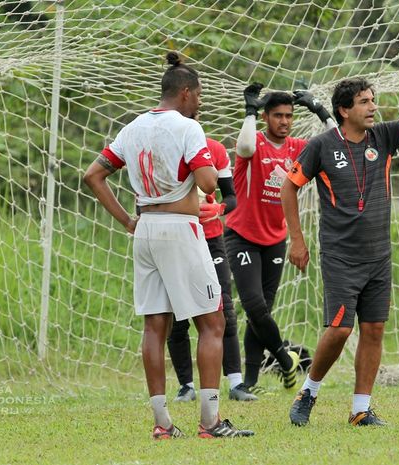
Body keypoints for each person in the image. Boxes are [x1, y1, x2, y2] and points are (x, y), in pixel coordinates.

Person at [282, 71, 399, 426]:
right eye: (365, 102)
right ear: (344, 110)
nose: (373, 107)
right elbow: (289, 187)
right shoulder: (321, 146)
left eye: (373, 100)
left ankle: (360, 409)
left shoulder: (384, 136)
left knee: (373, 329)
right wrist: (297, 239)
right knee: (340, 329)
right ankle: (309, 390)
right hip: (340, 255)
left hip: (378, 255)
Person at [83, 52, 253, 439]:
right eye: (200, 95)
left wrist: (127, 220)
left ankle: (162, 424)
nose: (202, 103)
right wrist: (204, 158)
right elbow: (210, 184)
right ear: (187, 93)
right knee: (213, 321)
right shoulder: (188, 127)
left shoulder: (132, 127)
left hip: (145, 231)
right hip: (180, 230)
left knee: (154, 325)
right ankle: (210, 423)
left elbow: (93, 175)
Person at [225, 83, 336, 393]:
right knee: (255, 307)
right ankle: (285, 361)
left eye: (288, 116)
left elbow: (335, 142)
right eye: (277, 116)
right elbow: (244, 149)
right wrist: (249, 110)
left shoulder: (297, 147)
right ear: (266, 117)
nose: (284, 121)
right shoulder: (253, 142)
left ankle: (248, 383)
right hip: (242, 236)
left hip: (275, 239)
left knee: (262, 314)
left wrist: (318, 108)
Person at [167, 137, 257, 402]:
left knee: (223, 308)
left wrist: (217, 208)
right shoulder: (163, 147)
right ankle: (186, 386)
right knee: (177, 313)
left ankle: (236, 383)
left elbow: (231, 197)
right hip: (175, 239)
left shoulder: (214, 149)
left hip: (211, 240)